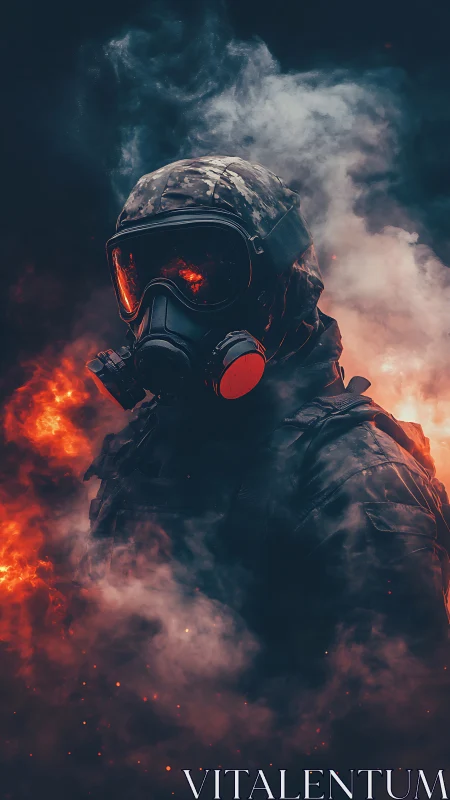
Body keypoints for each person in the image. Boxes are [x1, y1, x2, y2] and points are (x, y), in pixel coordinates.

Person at [86, 155, 450, 710]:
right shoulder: (147, 447)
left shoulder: (356, 475)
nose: (165, 309)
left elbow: (402, 726)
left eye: (199, 277)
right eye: (146, 279)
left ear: (281, 287)